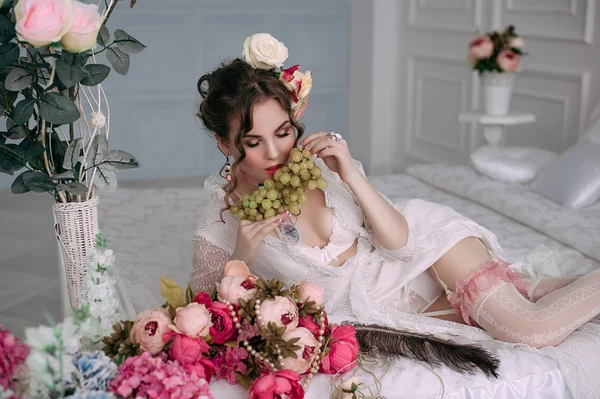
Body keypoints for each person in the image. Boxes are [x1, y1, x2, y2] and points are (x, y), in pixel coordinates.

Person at [191, 33, 600, 349]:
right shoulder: (220, 226)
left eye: (283, 132)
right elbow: (210, 324)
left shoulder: (318, 168)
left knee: (529, 332)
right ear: (224, 143)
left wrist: (352, 174)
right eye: (253, 141)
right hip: (393, 310)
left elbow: (402, 246)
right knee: (523, 304)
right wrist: (242, 259)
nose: (277, 151)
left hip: (429, 250)